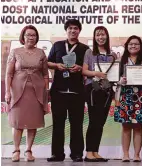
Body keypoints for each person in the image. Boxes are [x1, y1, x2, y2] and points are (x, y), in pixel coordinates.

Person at [5, 25, 49, 162]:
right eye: (28, 35)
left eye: (33, 35)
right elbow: (8, 74)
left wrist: (46, 92)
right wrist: (7, 91)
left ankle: (29, 150)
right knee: (18, 122)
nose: (31, 37)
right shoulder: (15, 51)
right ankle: (16, 150)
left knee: (33, 122)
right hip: (17, 91)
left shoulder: (41, 53)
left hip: (37, 92)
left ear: (37, 38)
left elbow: (46, 75)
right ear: (23, 37)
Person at [47, 19, 89, 162]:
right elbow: (48, 62)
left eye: (76, 28)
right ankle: (57, 154)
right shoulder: (57, 45)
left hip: (77, 92)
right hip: (58, 91)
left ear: (79, 31)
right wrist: (57, 65)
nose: (73, 31)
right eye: (70, 28)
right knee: (58, 123)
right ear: (66, 30)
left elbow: (89, 68)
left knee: (76, 124)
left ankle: (77, 154)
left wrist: (80, 68)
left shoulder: (85, 48)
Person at [114, 35, 142, 162]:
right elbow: (113, 80)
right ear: (127, 46)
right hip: (124, 96)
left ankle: (137, 155)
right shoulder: (120, 61)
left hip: (141, 97)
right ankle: (126, 154)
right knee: (126, 126)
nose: (133, 46)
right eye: (130, 44)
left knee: (138, 126)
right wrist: (120, 81)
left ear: (140, 47)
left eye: (136, 44)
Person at [82, 26, 116, 162]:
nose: (100, 37)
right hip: (93, 88)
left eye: (103, 35)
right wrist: (96, 73)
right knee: (93, 121)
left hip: (107, 89)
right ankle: (89, 152)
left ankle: (95, 151)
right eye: (98, 35)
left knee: (100, 122)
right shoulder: (89, 53)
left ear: (107, 36)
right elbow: (84, 71)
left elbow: (113, 74)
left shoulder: (112, 55)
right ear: (94, 37)